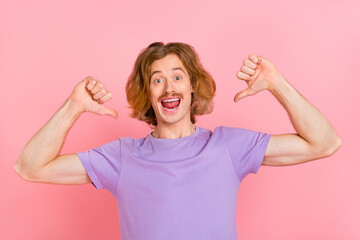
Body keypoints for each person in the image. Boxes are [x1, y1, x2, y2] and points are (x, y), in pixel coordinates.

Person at [14, 41, 342, 240]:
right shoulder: (122, 157)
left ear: (191, 88)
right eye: (157, 80)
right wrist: (73, 107)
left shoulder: (228, 147)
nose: (168, 88)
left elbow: (324, 142)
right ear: (149, 93)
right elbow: (29, 167)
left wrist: (277, 83)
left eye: (177, 77)